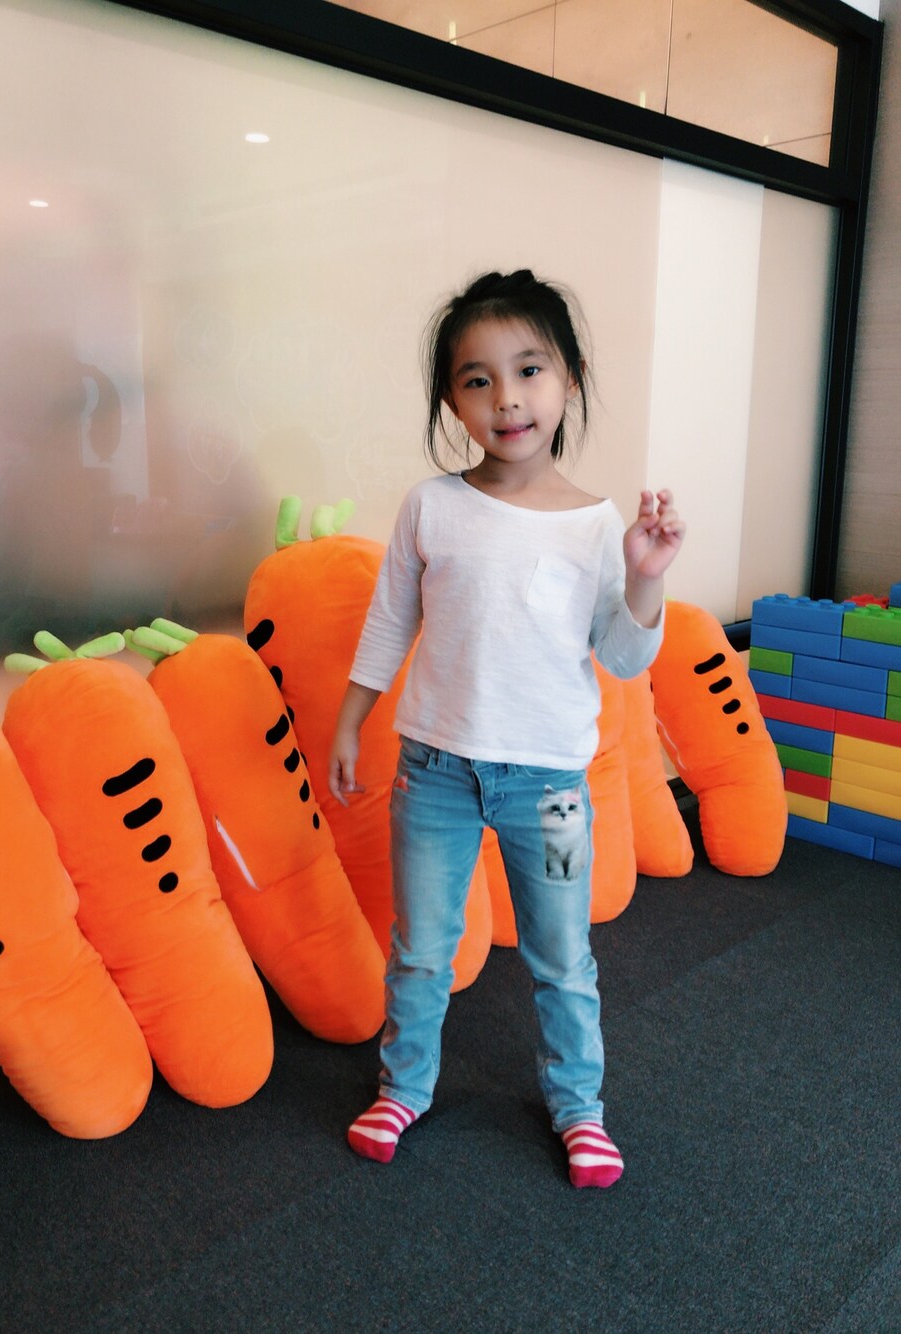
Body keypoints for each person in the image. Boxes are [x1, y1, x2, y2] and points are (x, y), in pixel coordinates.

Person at [328, 269, 685, 1188]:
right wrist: (352, 720)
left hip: (550, 790)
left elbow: (622, 657)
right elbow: (389, 620)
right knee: (420, 949)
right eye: (477, 379)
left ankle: (580, 1108)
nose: (507, 398)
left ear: (569, 380)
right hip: (434, 772)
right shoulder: (432, 505)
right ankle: (404, 1088)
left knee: (562, 957)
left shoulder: (597, 525)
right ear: (452, 400)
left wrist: (646, 577)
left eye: (529, 370)